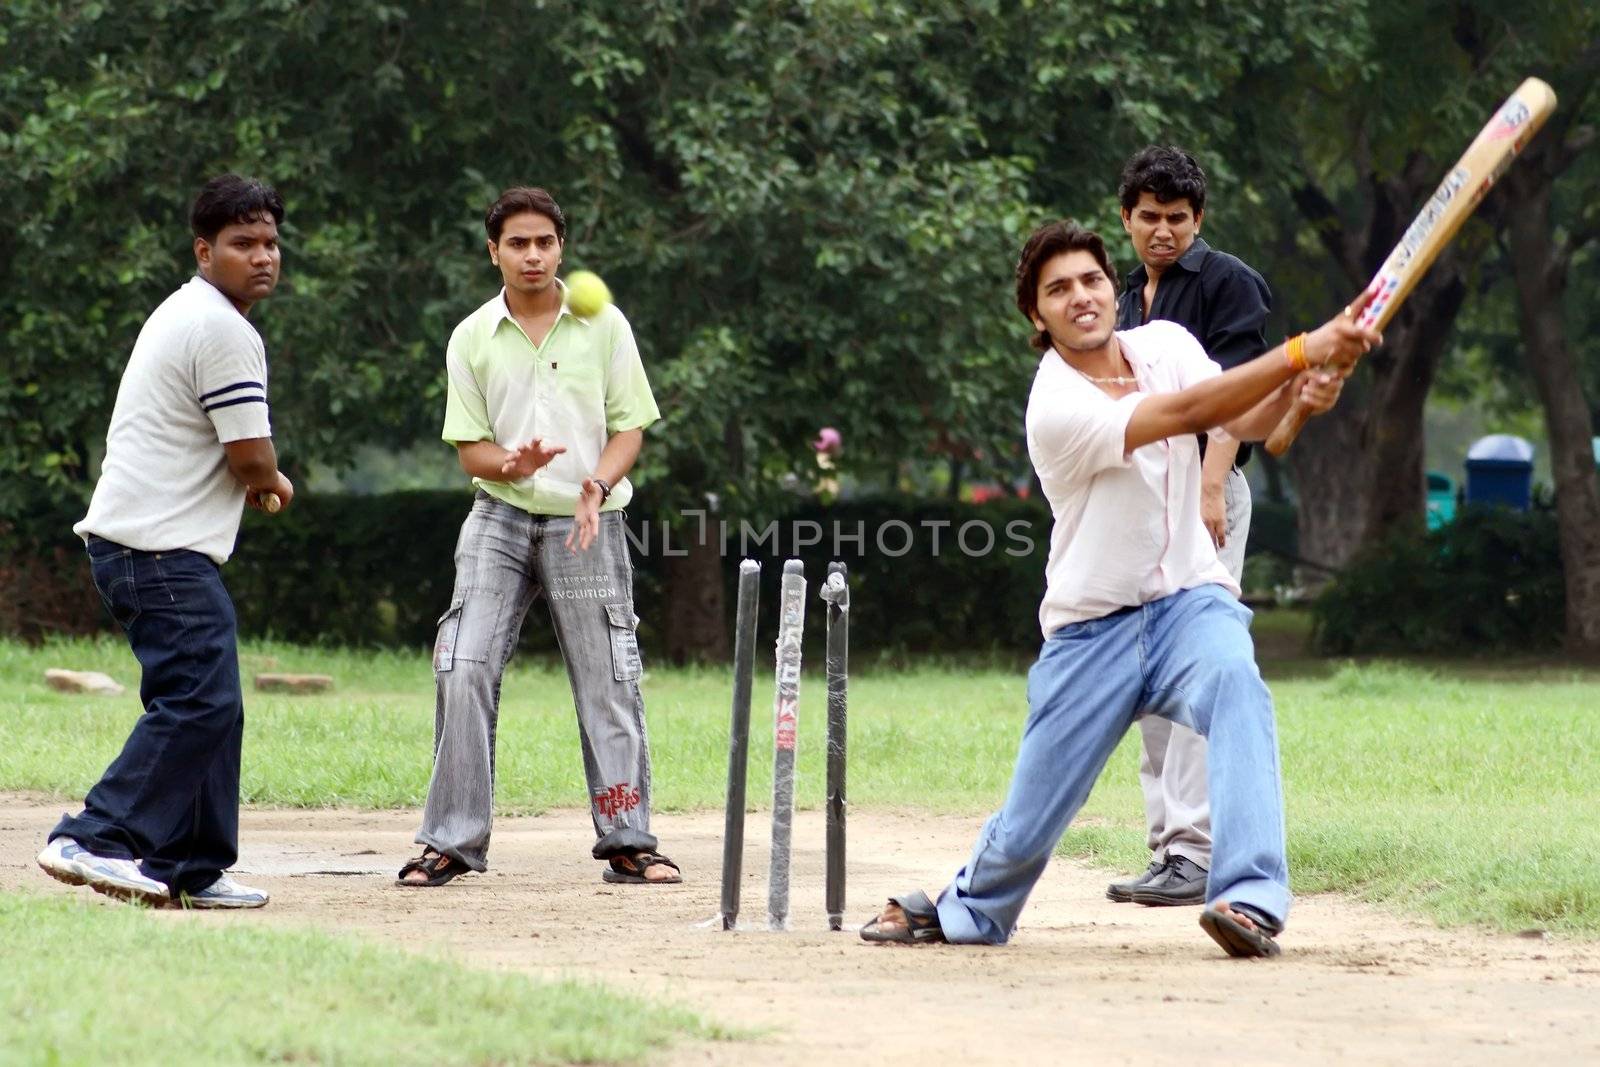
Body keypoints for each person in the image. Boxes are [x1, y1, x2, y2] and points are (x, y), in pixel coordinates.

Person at [859, 222, 1377, 956]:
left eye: (1091, 280)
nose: (1081, 297)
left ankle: (1251, 897)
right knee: (1029, 820)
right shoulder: (1056, 405)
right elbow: (1182, 415)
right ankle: (968, 905)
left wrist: (1301, 394)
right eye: (1058, 289)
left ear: (1114, 286)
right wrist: (1300, 351)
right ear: (1036, 316)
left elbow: (1239, 419)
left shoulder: (1165, 344)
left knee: (1237, 682)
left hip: (1188, 602)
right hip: (1091, 629)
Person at [397, 187, 678, 888]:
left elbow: (630, 426)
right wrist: (512, 463)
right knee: (461, 664)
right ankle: (451, 840)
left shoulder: (603, 324)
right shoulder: (471, 336)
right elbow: (471, 450)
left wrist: (597, 483)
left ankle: (628, 839)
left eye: (544, 242)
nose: (532, 255)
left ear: (562, 248)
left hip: (587, 521)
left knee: (606, 673)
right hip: (497, 517)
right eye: (517, 243)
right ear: (493, 251)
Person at [37, 175, 295, 909]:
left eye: (271, 242)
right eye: (243, 244)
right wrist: (277, 482)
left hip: (144, 544)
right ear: (204, 250)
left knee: (215, 703)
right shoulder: (221, 327)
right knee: (198, 702)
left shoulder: (191, 310)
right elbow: (250, 457)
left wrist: (256, 472)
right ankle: (95, 834)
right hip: (157, 548)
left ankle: (191, 862)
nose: (262, 256)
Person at [1107, 145, 1274, 907]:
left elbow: (1235, 398)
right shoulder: (1111, 293)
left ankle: (1198, 847)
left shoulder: (1227, 283)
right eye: (1150, 218)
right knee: (1148, 678)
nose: (1163, 231)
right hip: (1138, 504)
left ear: (1197, 219)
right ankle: (1166, 847)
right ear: (1128, 218)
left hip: (1204, 494)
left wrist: (1211, 488)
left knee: (1203, 664)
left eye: (1177, 218)